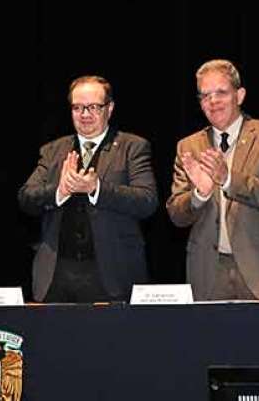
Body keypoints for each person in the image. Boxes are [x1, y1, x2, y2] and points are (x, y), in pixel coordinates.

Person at [166, 59, 259, 301]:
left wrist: (228, 179)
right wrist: (200, 194)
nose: (213, 101)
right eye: (205, 95)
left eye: (221, 92)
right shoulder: (187, 146)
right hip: (209, 274)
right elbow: (177, 215)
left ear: (239, 95)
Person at [18, 75, 158, 303]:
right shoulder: (53, 150)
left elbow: (147, 200)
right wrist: (60, 191)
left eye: (93, 107)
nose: (84, 115)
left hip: (111, 274)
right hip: (56, 275)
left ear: (109, 108)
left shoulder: (132, 147)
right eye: (78, 108)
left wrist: (97, 188)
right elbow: (26, 197)